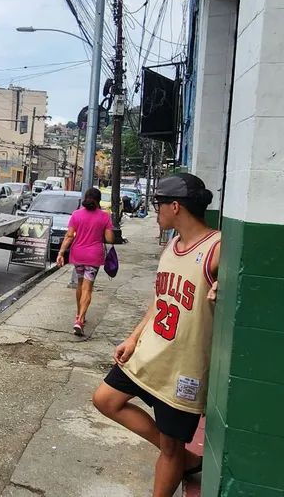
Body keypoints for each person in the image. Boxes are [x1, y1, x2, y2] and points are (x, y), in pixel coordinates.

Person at [91, 173, 220, 497]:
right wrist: (133, 338)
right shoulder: (173, 245)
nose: (156, 210)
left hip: (183, 368)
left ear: (175, 206)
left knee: (170, 450)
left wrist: (227, 287)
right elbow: (158, 300)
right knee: (105, 399)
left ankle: (179, 458)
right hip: (150, 352)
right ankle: (186, 459)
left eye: (159, 204)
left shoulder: (218, 248)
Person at [55, 187, 115, 336]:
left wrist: (61, 253)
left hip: (78, 255)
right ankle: (80, 319)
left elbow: (69, 236)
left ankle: (78, 315)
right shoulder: (105, 216)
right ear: (98, 200)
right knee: (88, 288)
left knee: (80, 284)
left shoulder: (76, 215)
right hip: (94, 257)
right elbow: (109, 239)